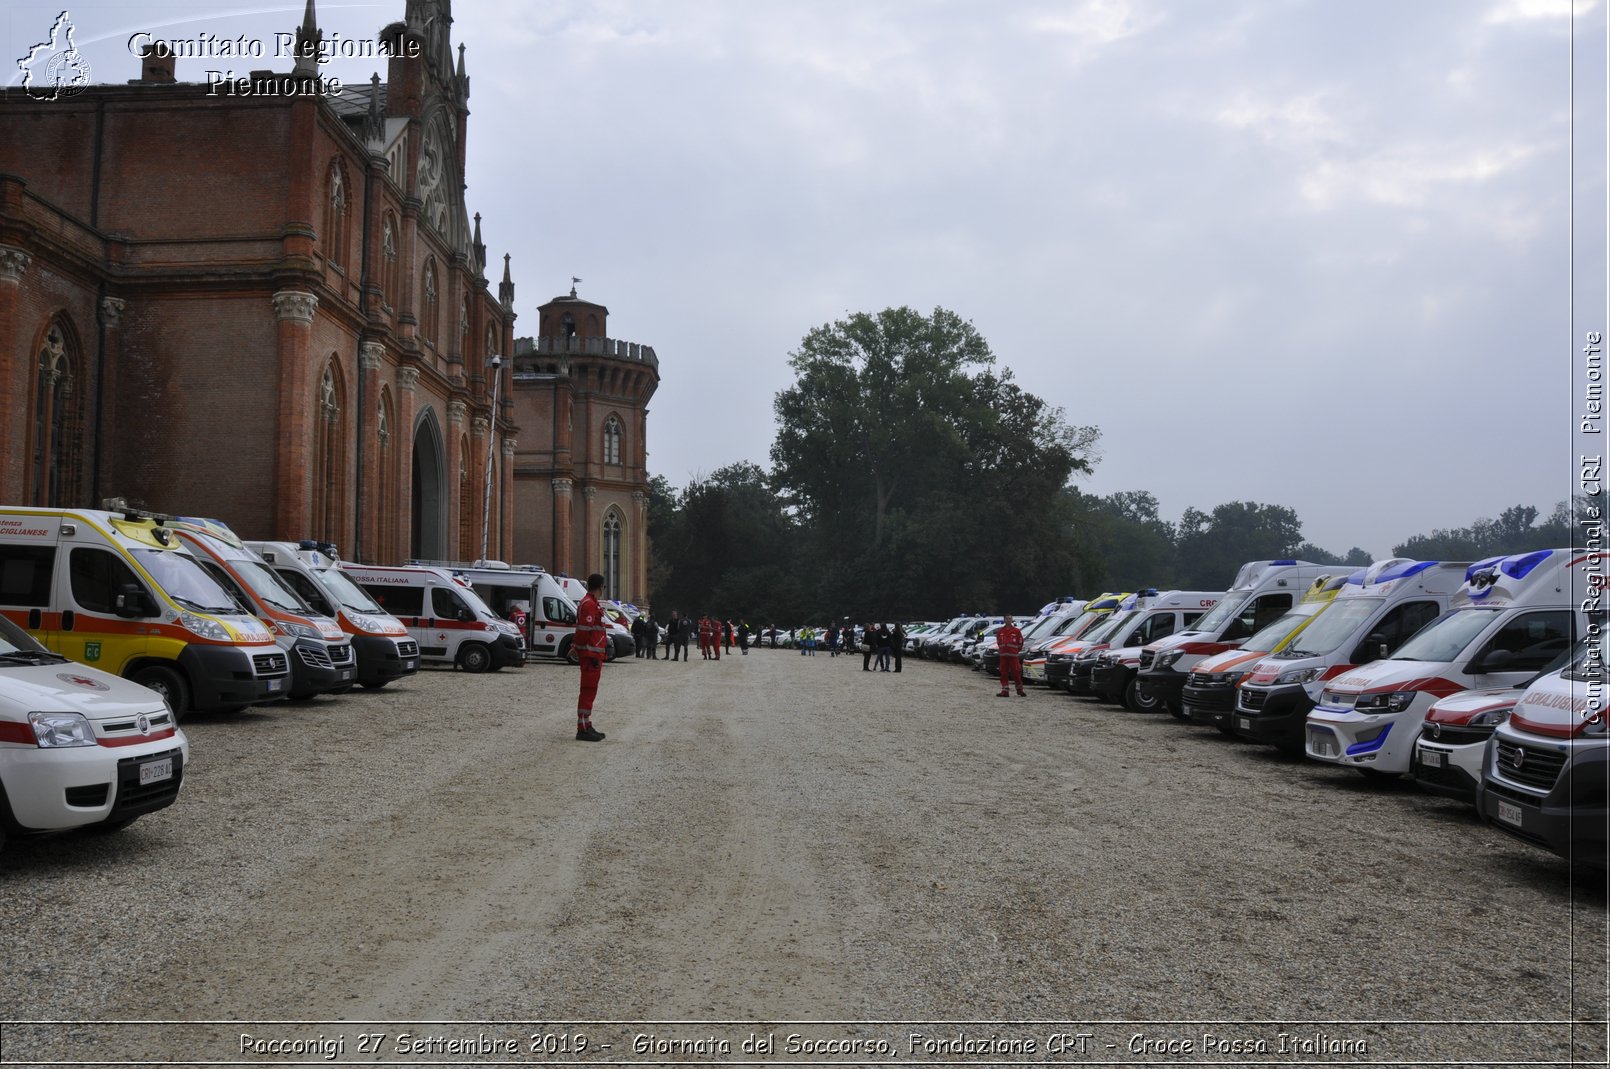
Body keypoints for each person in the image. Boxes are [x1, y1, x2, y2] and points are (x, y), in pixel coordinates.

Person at [574, 573, 609, 741]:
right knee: (587, 691)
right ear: (600, 586)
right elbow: (584, 630)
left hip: (593, 654)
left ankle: (586, 724)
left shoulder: (592, 603)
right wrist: (577, 649)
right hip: (590, 655)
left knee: (591, 691)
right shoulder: (589, 604)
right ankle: (582, 727)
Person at [996, 613, 1026, 698]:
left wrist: (1015, 651)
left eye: (1010, 618)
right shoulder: (1000, 631)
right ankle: (1005, 691)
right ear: (1004, 620)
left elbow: (1020, 643)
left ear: (1012, 620)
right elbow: (999, 642)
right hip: (1003, 657)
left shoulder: (1016, 631)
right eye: (1007, 618)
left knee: (1016, 673)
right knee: (1003, 673)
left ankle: (1020, 690)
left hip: (1013, 656)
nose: (1008, 620)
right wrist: (1003, 650)